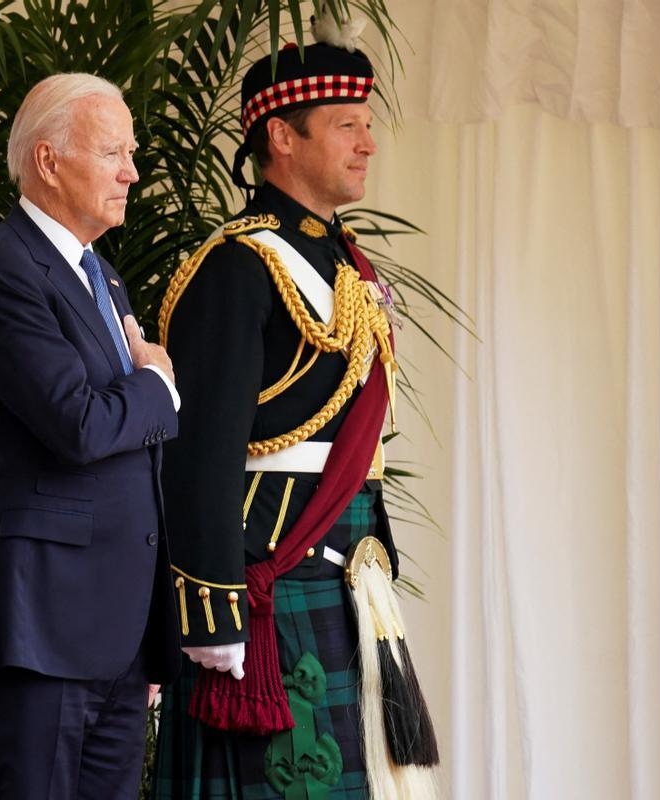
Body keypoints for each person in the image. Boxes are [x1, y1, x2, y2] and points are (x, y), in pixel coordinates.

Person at [152, 31, 438, 800]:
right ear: (282, 134)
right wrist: (212, 611)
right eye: (347, 124)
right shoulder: (236, 266)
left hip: (346, 572)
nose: (368, 142)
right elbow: (199, 453)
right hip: (265, 579)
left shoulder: (344, 261)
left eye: (365, 123)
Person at [0, 73, 182, 799]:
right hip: (40, 628)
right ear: (48, 161)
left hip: (115, 631)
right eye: (113, 152)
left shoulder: (101, 276)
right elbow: (79, 425)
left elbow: (120, 438)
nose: (132, 172)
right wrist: (158, 382)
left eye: (131, 153)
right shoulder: (1, 274)